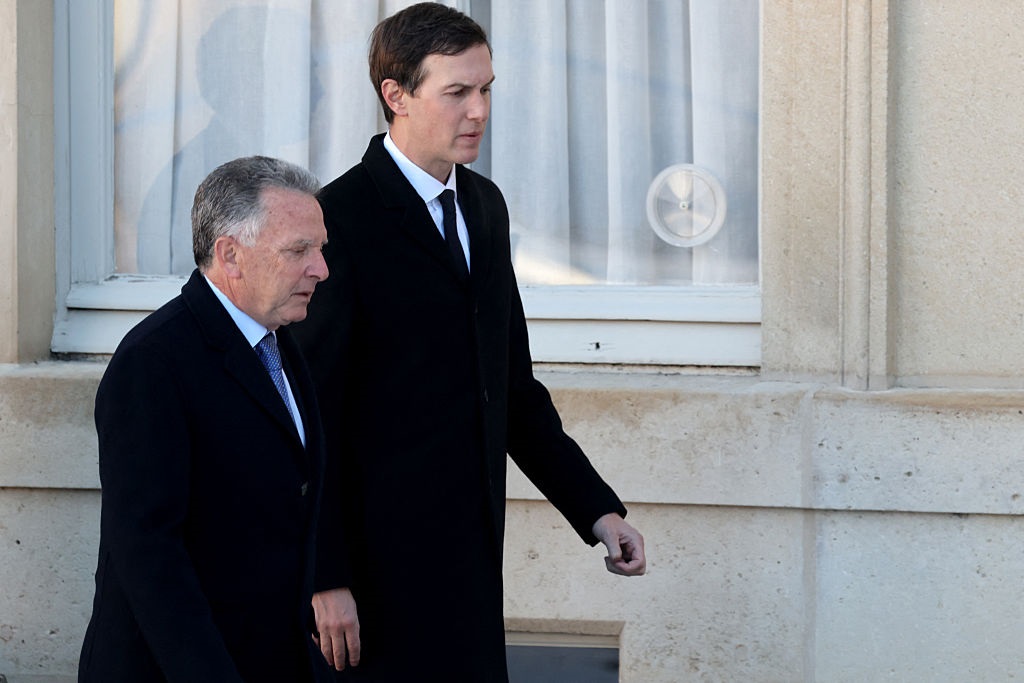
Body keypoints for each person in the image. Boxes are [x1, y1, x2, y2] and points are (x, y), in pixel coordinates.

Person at [291, 4, 646, 681]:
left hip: (472, 566)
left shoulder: (484, 206)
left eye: (485, 89)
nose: (479, 110)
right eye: (457, 91)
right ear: (396, 95)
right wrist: (324, 575)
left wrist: (597, 510)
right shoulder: (338, 219)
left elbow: (510, 388)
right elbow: (308, 413)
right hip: (371, 584)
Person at [78, 156, 332, 682]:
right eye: (298, 250)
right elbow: (150, 555)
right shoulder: (153, 362)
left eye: (320, 249)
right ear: (230, 255)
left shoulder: (279, 342)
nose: (320, 269)